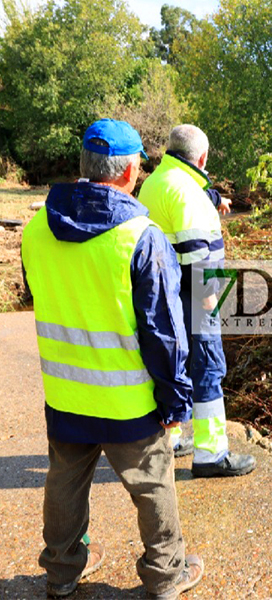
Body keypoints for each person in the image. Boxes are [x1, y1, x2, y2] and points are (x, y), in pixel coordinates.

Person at [21, 119, 204, 598]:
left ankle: (61, 571)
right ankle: (166, 574)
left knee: (64, 482)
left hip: (66, 395)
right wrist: (176, 404)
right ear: (128, 173)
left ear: (84, 165)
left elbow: (39, 292)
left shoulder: (37, 228)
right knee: (153, 486)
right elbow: (164, 335)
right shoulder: (142, 238)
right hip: (129, 404)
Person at [138, 124, 255, 478]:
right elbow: (198, 256)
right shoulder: (188, 193)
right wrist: (210, 305)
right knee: (208, 368)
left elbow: (186, 205)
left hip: (161, 297)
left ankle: (171, 439)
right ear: (202, 157)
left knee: (171, 367)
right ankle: (211, 453)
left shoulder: (156, 182)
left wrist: (217, 199)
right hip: (193, 297)